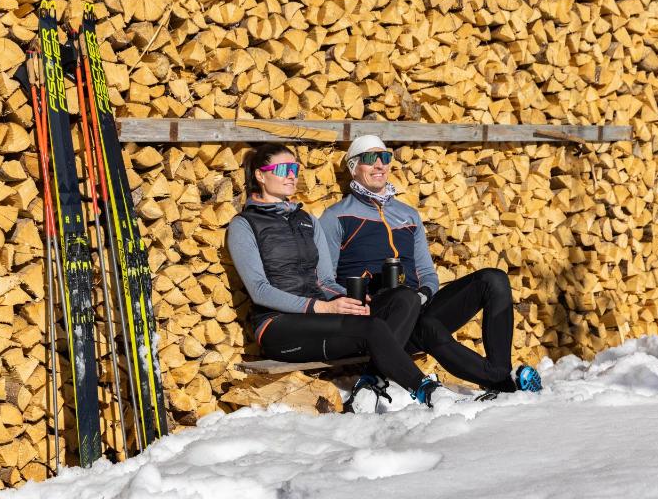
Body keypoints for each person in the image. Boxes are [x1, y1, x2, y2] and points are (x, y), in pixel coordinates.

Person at [319, 135, 542, 395]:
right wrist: (353, 302)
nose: (380, 165)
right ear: (353, 167)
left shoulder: (408, 215)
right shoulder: (336, 216)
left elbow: (427, 273)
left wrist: (423, 295)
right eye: (371, 158)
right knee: (428, 327)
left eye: (385, 157)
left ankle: (501, 371)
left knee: (494, 279)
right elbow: (323, 279)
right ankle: (504, 383)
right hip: (379, 317)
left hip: (418, 304)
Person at [227, 143, 441, 408]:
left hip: (320, 316)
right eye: (282, 169)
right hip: (277, 325)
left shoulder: (307, 220)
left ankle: (370, 387)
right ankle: (426, 390)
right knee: (374, 328)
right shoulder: (244, 224)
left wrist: (352, 300)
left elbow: (326, 281)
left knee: (396, 304)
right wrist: (323, 307)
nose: (291, 175)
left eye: (294, 168)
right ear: (261, 175)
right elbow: (259, 290)